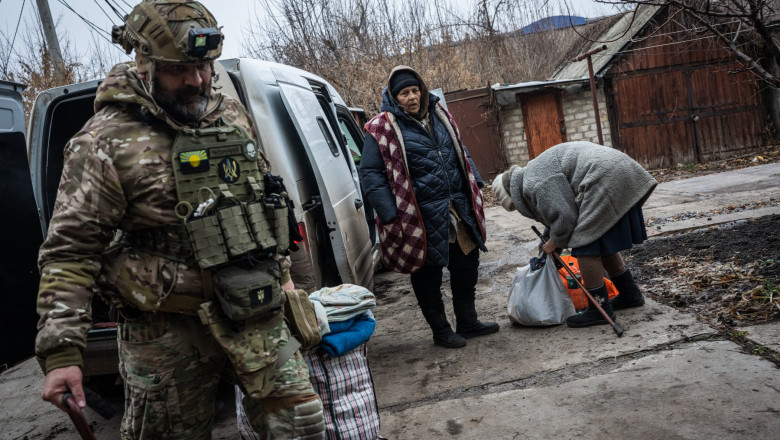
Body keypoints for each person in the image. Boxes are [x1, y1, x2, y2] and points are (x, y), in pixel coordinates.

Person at [34, 1, 325, 438]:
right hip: (166, 333)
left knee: (302, 424)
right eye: (178, 70)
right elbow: (70, 252)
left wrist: (287, 284)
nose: (196, 80)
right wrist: (62, 354)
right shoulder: (102, 141)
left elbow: (262, 206)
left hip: (254, 311)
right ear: (144, 62)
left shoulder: (230, 115)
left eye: (204, 66)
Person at [359, 65, 499, 349]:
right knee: (427, 274)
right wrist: (390, 213)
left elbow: (461, 149)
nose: (411, 97)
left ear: (422, 91)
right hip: (417, 215)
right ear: (394, 96)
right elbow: (370, 174)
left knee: (466, 264)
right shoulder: (381, 128)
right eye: (404, 93)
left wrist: (476, 181)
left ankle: (468, 321)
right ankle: (441, 330)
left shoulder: (439, 115)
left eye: (415, 90)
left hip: (455, 207)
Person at [492, 141, 658, 327]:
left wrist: (555, 242)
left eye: (513, 206)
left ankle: (598, 310)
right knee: (598, 240)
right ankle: (630, 295)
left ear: (512, 195)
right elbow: (556, 216)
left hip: (604, 176)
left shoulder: (535, 183)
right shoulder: (532, 175)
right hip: (617, 169)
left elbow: (565, 218)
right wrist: (547, 251)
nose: (517, 209)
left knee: (585, 244)